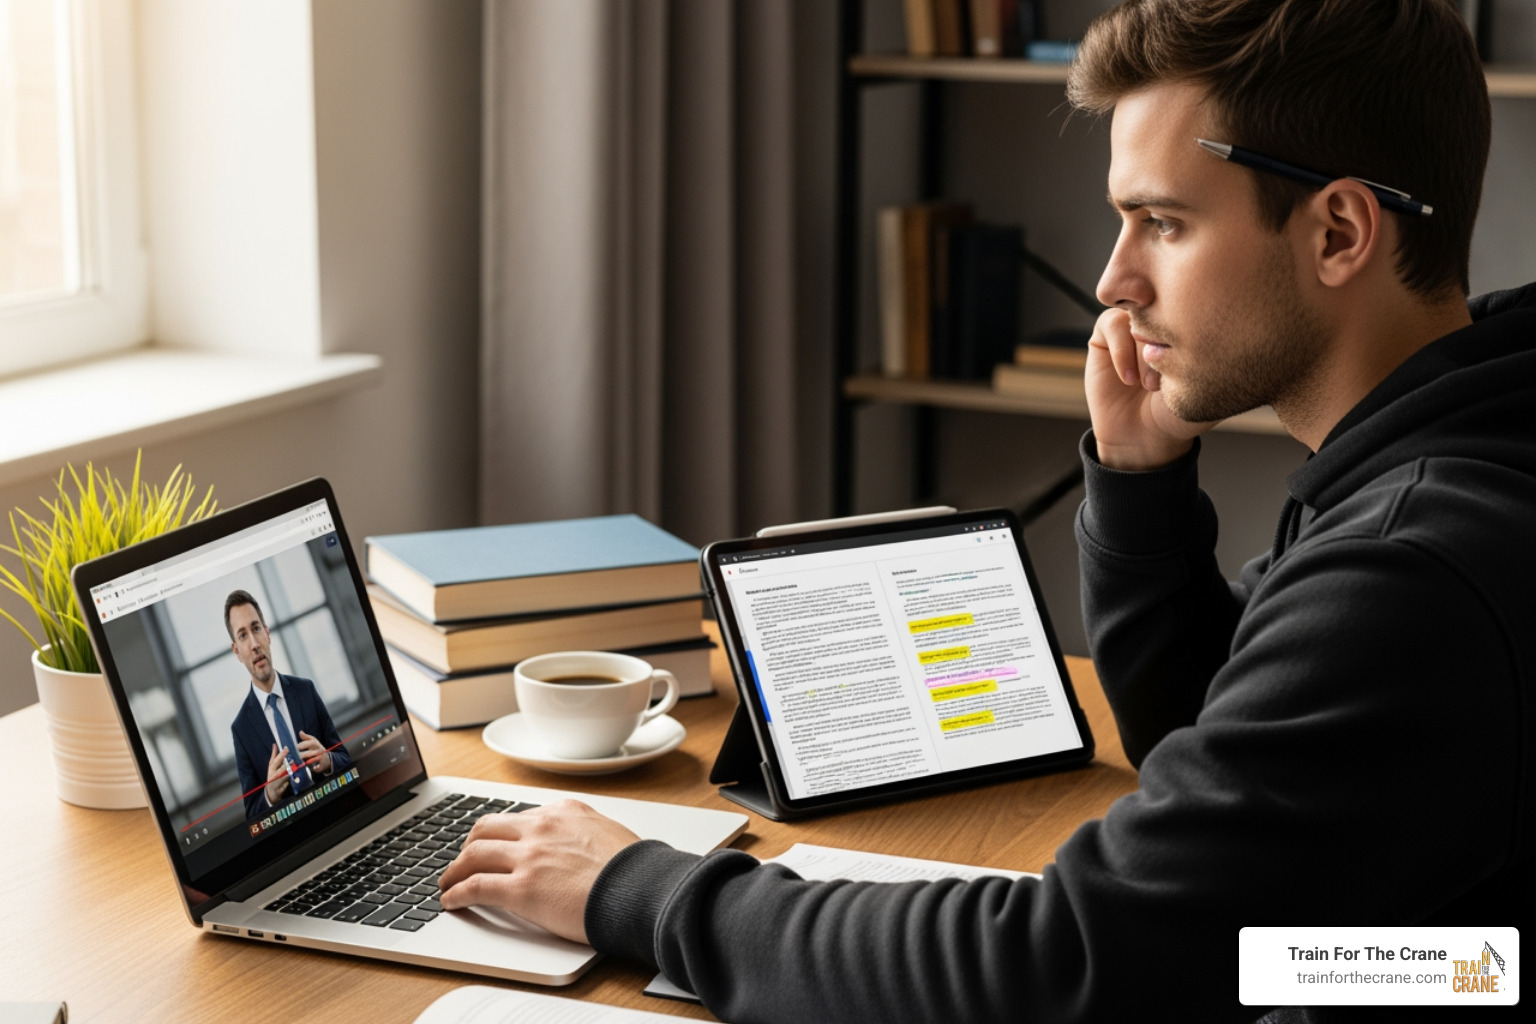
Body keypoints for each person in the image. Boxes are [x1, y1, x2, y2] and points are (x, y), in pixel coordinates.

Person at [436, 1, 1534, 1020]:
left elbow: (1063, 966)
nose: (1113, 281)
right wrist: (1140, 480)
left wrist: (639, 889)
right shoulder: (1456, 442)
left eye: (1162, 222)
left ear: (1339, 232)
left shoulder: (1410, 570)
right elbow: (1217, 763)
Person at [227, 589, 353, 820]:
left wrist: (328, 760)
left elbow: (346, 761)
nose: (254, 644)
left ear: (267, 634)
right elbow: (253, 816)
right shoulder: (241, 729)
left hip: (336, 813)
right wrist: (269, 795)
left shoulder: (306, 690)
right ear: (236, 651)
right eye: (243, 636)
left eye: (256, 629)